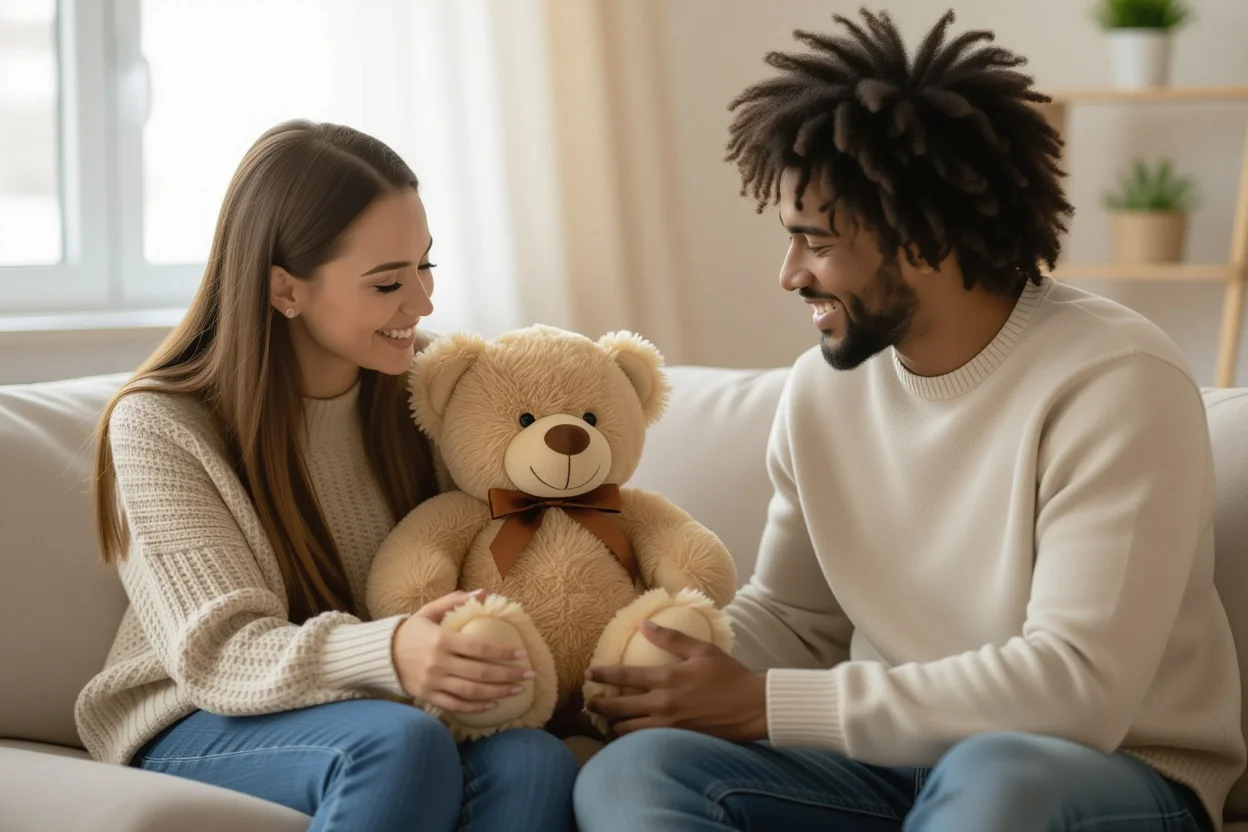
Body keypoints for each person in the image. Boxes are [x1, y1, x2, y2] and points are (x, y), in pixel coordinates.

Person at [573, 9, 1244, 832]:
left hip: (1108, 773)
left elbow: (1078, 690)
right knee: (638, 773)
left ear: (921, 241)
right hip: (891, 769)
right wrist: (647, 671)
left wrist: (765, 705)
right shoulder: (821, 391)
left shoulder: (1115, 383)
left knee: (997, 775)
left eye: (813, 242)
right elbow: (796, 620)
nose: (789, 275)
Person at [75, 120, 578, 831]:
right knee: (395, 746)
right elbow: (218, 654)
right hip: (196, 715)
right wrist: (393, 649)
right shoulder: (162, 422)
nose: (423, 303)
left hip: (383, 708)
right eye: (387, 283)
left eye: (425, 266)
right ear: (285, 288)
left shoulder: (429, 388)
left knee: (535, 760)